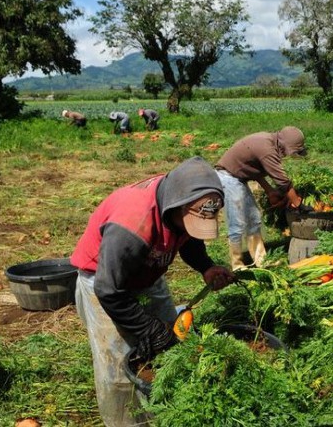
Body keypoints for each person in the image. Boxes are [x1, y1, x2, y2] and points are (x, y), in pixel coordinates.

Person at [70, 156, 236, 426]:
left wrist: (205, 267)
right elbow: (109, 290)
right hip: (106, 282)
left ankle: (167, 409)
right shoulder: (131, 225)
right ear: (175, 206)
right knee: (120, 362)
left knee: (170, 339)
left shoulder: (181, 200)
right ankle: (126, 419)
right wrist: (148, 329)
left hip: (147, 272)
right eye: (190, 220)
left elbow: (188, 238)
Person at [215, 126, 307, 270]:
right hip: (228, 178)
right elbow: (282, 181)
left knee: (253, 218)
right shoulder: (267, 149)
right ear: (285, 145)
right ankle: (237, 264)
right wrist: (298, 204)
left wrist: (269, 191)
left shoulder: (269, 142)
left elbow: (255, 170)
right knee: (237, 222)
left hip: (237, 178)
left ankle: (261, 261)